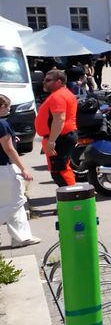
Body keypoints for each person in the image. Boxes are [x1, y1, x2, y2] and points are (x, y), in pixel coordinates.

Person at [0, 94, 37, 247]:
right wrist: (23, 169)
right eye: (8, 107)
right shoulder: (2, 124)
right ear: (2, 107)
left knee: (13, 202)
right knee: (16, 201)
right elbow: (8, 149)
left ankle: (21, 237)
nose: (9, 110)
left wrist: (12, 139)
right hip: (4, 168)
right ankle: (21, 237)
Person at [35, 69, 78, 186]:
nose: (44, 83)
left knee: (60, 171)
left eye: (48, 80)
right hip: (62, 136)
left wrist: (51, 141)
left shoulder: (58, 96)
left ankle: (73, 199)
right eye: (44, 80)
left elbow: (59, 119)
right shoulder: (62, 93)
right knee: (60, 170)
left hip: (60, 138)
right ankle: (70, 198)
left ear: (59, 82)